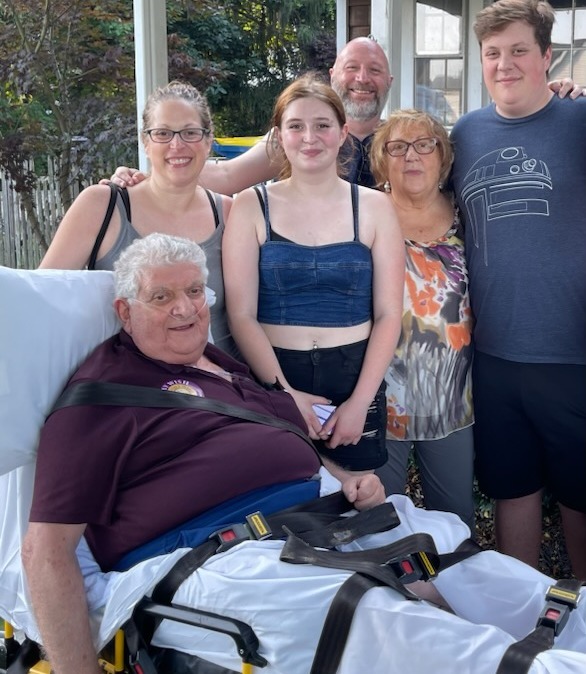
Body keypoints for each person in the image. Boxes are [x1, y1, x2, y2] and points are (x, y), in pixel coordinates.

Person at [22, 232, 388, 674]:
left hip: (319, 522)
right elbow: (45, 551)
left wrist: (346, 479)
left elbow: (280, 439)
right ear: (125, 312)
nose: (185, 308)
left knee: (457, 564)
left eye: (194, 291)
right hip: (221, 556)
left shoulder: (219, 364)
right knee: (392, 625)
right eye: (161, 296)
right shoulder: (102, 399)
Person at [450, 0, 586, 580]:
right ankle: (523, 609)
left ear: (546, 56)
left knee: (581, 497)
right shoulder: (465, 134)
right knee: (512, 487)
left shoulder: (580, 121)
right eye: (492, 53)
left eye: (519, 51)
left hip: (572, 354)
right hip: (493, 353)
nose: (504, 64)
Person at [108, 37, 583, 195]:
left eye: (374, 70)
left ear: (388, 82)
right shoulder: (295, 139)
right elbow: (226, 176)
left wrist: (547, 96)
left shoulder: (406, 143)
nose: (362, 78)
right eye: (352, 67)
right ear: (333, 73)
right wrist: (148, 178)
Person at [222, 74, 405, 475]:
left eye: (322, 125)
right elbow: (241, 314)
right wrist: (284, 395)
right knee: (283, 501)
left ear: (343, 133)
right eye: (296, 126)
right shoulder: (251, 205)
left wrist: (360, 403)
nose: (310, 137)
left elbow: (390, 314)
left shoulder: (375, 207)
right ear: (279, 136)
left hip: (356, 379)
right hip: (274, 378)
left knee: (359, 497)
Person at [39, 80, 238, 358]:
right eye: (163, 133)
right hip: (125, 379)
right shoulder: (102, 207)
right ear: (145, 142)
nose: (177, 144)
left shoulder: (228, 214)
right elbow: (43, 301)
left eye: (190, 132)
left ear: (207, 141)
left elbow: (245, 316)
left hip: (218, 378)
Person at [369, 110, 475, 533]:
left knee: (455, 526)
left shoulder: (466, 212)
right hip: (378, 398)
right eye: (397, 147)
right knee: (380, 527)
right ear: (382, 160)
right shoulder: (363, 212)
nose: (411, 155)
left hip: (452, 396)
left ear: (442, 157)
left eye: (424, 144)